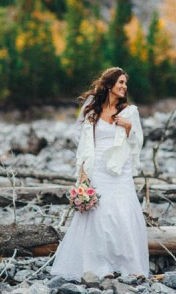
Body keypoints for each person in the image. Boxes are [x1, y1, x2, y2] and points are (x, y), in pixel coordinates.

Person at [50, 67, 149, 280]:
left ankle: (127, 265)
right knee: (99, 216)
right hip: (98, 169)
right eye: (120, 82)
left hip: (119, 169)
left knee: (121, 214)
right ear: (109, 85)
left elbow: (137, 143)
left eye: (125, 83)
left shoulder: (129, 112)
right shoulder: (93, 113)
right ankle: (98, 265)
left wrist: (129, 128)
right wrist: (84, 174)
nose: (124, 86)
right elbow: (86, 145)